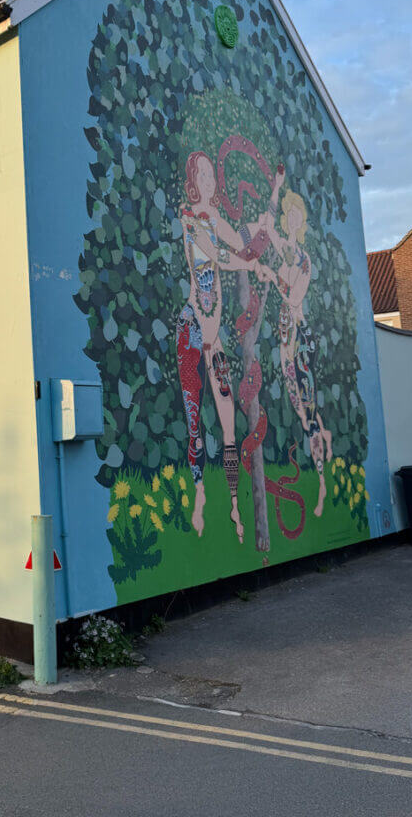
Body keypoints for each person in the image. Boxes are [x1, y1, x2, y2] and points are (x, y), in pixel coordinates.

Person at [176, 151, 272, 543]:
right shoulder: (191, 220)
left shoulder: (214, 218)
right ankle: (199, 493)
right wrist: (248, 263)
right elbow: (219, 255)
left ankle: (234, 505)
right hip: (192, 331)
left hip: (214, 340)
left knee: (229, 425)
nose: (211, 180)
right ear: (193, 181)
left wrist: (261, 235)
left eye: (212, 174)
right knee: (195, 422)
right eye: (204, 174)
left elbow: (238, 243)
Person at [258, 167, 332, 515]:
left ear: (301, 224)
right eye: (289, 214)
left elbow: (291, 295)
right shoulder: (283, 246)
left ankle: (320, 487)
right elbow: (266, 227)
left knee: (310, 412)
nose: (290, 220)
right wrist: (275, 187)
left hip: (300, 340)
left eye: (296, 216)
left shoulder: (303, 260)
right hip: (284, 341)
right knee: (301, 415)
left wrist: (271, 275)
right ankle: (319, 440)